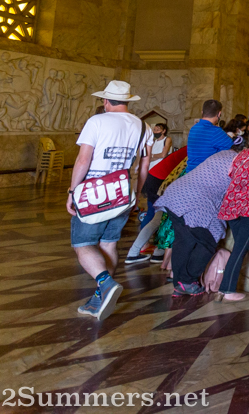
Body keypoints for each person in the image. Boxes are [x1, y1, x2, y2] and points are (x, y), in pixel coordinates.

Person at [67, 81, 152, 320]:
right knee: (109, 244)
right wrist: (137, 193)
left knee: (82, 244)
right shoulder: (143, 125)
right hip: (123, 192)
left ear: (105, 101)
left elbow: (84, 160)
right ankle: (100, 296)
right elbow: (144, 165)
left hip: (94, 191)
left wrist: (73, 191)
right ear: (127, 101)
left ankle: (104, 283)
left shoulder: (97, 121)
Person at [155, 149, 237, 295]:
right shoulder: (240, 161)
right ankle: (188, 281)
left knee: (183, 241)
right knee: (208, 242)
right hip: (196, 202)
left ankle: (179, 283)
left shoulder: (224, 153)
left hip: (176, 194)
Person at [216, 125, 249, 302]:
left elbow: (231, 174)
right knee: (241, 248)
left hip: (231, 205)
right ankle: (227, 289)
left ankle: (226, 287)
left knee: (239, 247)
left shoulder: (242, 155)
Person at [125, 145, 189, 265]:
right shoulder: (200, 147)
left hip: (156, 177)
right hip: (162, 181)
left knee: (156, 217)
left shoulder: (192, 145)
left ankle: (157, 253)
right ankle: (135, 252)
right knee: (158, 219)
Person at [185, 100, 234, 173]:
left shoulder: (193, 128)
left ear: (202, 112)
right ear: (219, 114)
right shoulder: (215, 131)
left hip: (190, 173)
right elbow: (233, 149)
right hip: (205, 175)